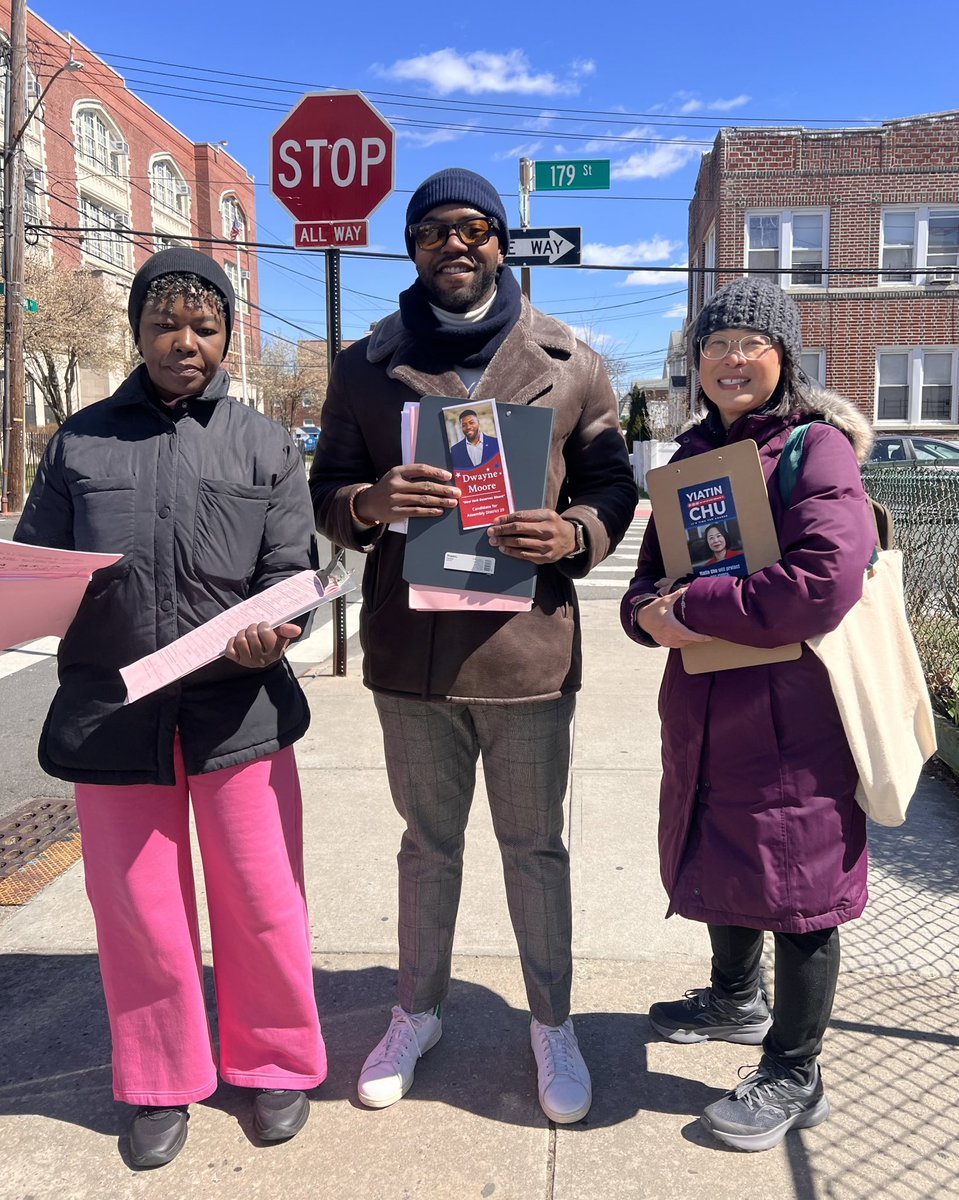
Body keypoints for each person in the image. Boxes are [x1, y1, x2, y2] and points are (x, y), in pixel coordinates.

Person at [309, 168, 636, 1124]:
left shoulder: (569, 358)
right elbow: (328, 489)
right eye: (431, 232)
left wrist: (573, 533)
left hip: (525, 654)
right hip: (412, 657)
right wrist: (370, 504)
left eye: (473, 229)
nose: (453, 245)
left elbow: (613, 482)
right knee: (426, 848)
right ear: (410, 249)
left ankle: (551, 1022)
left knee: (535, 848)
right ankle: (417, 1011)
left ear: (501, 241)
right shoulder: (363, 365)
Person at [14, 247, 326, 1167]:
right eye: (164, 325)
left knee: (263, 902)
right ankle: (159, 1078)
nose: (183, 342)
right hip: (114, 714)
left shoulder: (264, 444)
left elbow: (289, 574)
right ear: (136, 331)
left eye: (203, 326)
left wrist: (282, 628)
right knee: (140, 913)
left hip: (241, 714)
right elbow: (40, 565)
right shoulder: (78, 442)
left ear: (226, 335)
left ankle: (273, 1062)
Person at [620, 277, 875, 1153]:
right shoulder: (689, 459)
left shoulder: (818, 449)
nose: (732, 357)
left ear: (782, 358)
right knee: (721, 847)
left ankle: (795, 1070)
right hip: (704, 705)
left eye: (751, 343)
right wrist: (647, 614)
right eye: (716, 343)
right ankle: (734, 996)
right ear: (696, 362)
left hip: (793, 715)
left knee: (804, 890)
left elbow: (823, 581)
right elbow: (651, 578)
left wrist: (693, 610)